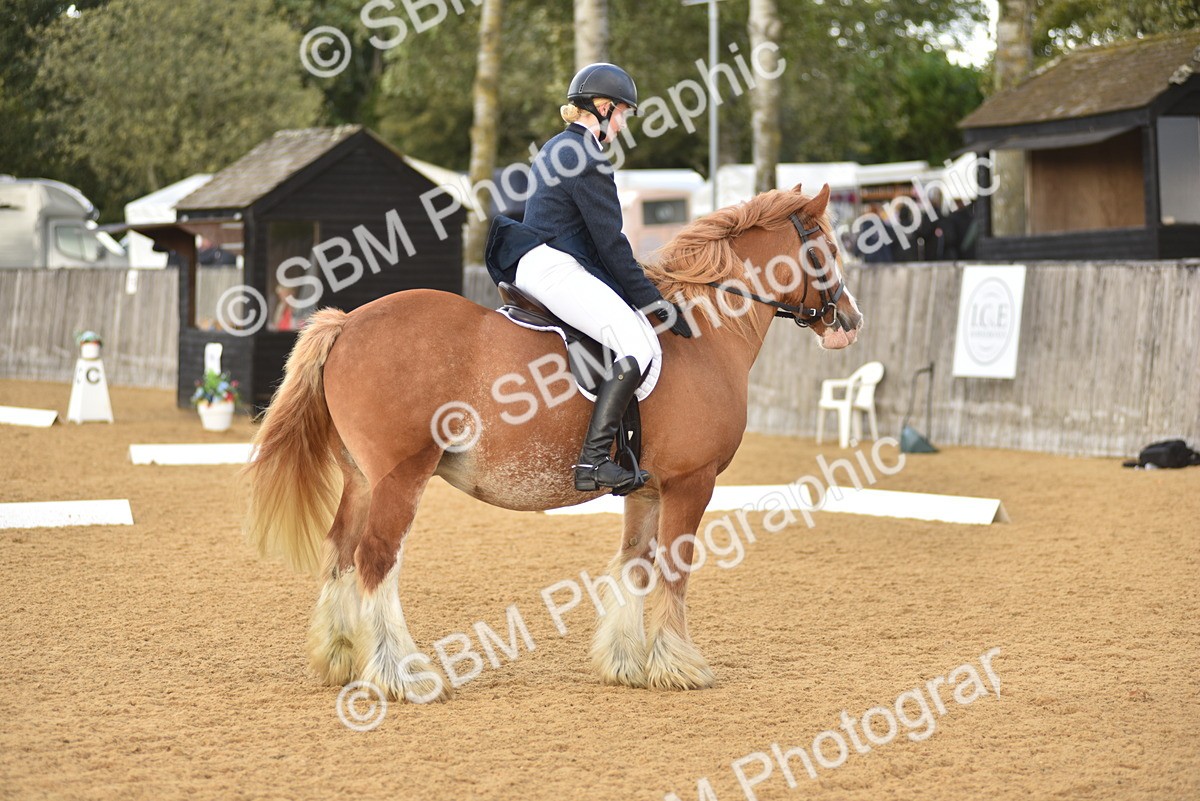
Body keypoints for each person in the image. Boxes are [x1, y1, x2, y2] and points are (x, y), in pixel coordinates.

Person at [485, 62, 692, 494]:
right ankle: (593, 462)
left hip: (537, 261)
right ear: (602, 108)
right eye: (622, 113)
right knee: (636, 343)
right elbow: (612, 245)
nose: (623, 123)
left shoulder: (556, 146)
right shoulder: (588, 156)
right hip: (557, 268)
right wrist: (654, 302)